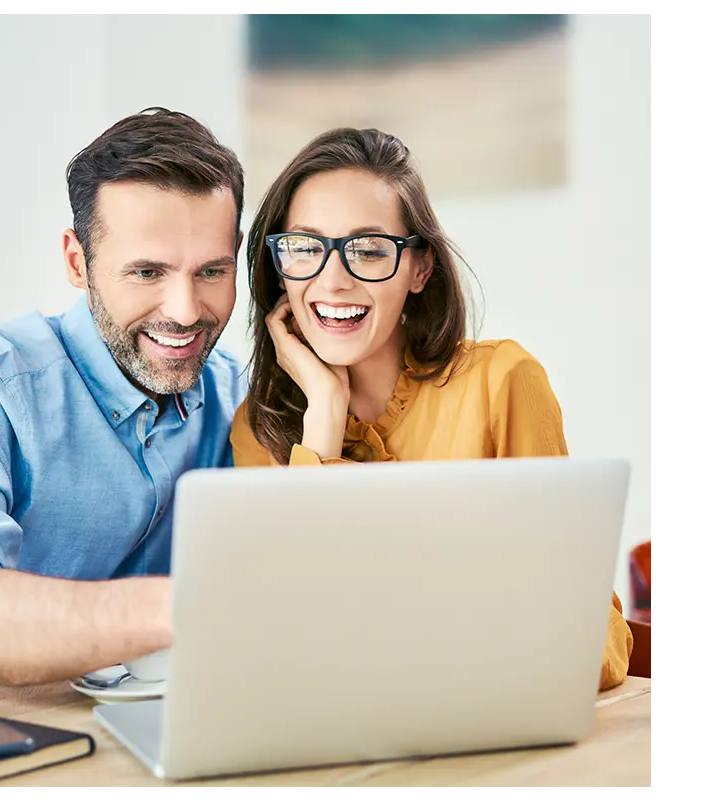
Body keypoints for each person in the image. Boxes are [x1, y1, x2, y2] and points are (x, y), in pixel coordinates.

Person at [0, 108, 247, 694]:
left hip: (101, 727)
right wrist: (193, 608)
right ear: (77, 262)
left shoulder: (233, 394)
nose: (186, 311)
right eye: (146, 272)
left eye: (212, 270)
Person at [229, 127, 633, 690]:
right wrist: (323, 412)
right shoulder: (260, 427)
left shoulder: (502, 382)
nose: (333, 279)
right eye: (305, 248)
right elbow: (293, 636)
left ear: (420, 269)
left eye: (369, 250)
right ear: (279, 270)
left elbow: (593, 641)